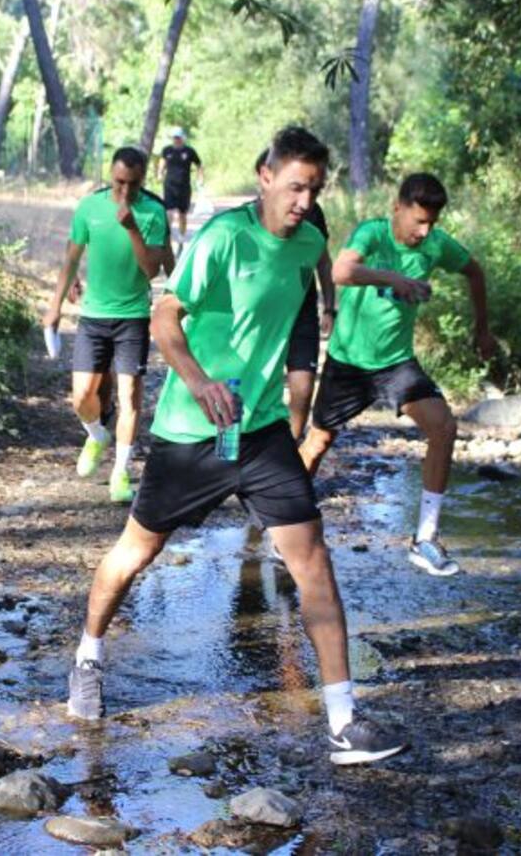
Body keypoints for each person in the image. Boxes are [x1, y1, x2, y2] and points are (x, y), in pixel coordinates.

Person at [66, 127, 406, 766]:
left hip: (262, 433)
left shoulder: (309, 243)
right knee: (136, 553)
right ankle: (87, 655)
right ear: (266, 177)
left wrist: (316, 343)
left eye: (315, 190)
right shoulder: (223, 237)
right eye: (296, 186)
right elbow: (165, 315)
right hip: (191, 432)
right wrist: (198, 382)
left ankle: (342, 722)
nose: (305, 201)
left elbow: (304, 298)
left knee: (313, 562)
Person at [298, 173, 494, 577]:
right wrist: (395, 279)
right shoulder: (373, 234)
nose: (425, 232)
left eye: (432, 223)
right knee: (317, 444)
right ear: (397, 208)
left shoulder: (437, 245)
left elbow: (475, 272)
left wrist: (482, 329)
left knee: (444, 427)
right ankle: (285, 523)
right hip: (348, 362)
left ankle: (425, 538)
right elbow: (341, 272)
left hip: (395, 364)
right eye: (418, 221)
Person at [42, 147, 172, 503]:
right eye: (119, 182)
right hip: (93, 315)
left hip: (133, 316)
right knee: (82, 396)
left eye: (133, 184)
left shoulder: (153, 212)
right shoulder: (90, 207)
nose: (126, 190)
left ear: (143, 180)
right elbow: (71, 257)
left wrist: (132, 228)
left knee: (130, 397)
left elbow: (152, 270)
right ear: (110, 176)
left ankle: (121, 472)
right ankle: (98, 436)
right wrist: (54, 307)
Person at [252, 149, 335, 441]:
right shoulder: (243, 222)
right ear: (266, 178)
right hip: (262, 317)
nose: (303, 199)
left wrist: (330, 307)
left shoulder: (312, 213)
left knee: (302, 389)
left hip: (302, 312)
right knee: (257, 388)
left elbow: (324, 261)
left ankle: (288, 448)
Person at [156, 128, 204, 252]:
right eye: (174, 137)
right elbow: (162, 163)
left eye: (178, 137)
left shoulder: (189, 151)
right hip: (169, 186)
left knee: (182, 215)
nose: (176, 140)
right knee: (169, 214)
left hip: (184, 187)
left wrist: (200, 178)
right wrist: (160, 173)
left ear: (182, 138)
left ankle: (181, 241)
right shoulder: (167, 150)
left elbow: (199, 165)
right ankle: (167, 240)